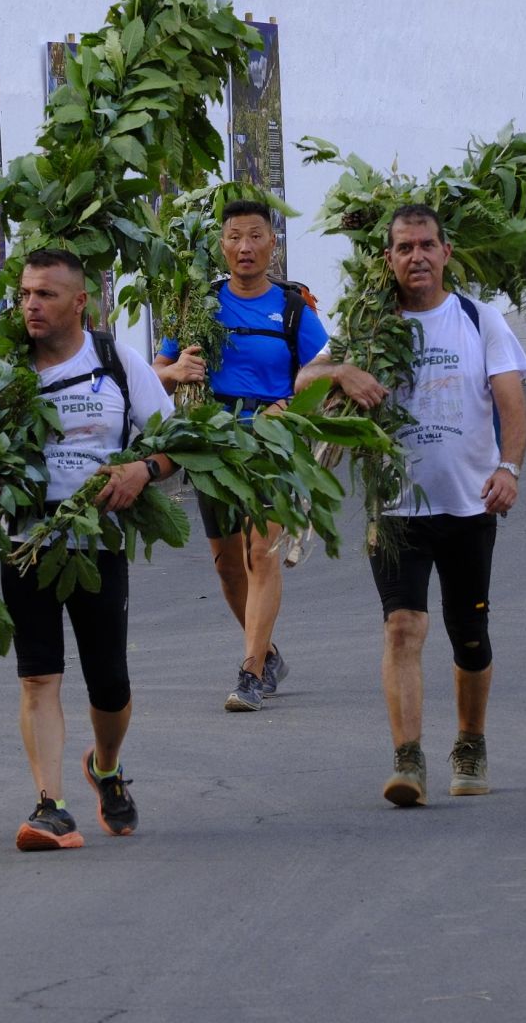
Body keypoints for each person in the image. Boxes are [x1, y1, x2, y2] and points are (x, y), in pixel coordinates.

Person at [301, 204, 526, 806]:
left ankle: (471, 742)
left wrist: (509, 468)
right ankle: (408, 759)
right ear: (389, 259)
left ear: (446, 252)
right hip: (396, 508)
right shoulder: (370, 325)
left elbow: (511, 401)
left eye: (426, 244)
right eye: (404, 248)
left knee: (468, 635)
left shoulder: (480, 320)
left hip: (470, 504)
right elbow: (303, 381)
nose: (417, 257)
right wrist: (344, 371)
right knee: (403, 627)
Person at [153, 199, 385, 713]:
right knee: (228, 569)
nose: (245, 247)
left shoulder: (295, 305)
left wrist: (290, 404)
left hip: (274, 446)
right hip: (213, 445)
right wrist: (176, 374)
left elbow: (323, 370)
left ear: (272, 244)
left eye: (256, 236)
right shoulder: (199, 304)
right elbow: (158, 368)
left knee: (261, 554)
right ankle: (269, 653)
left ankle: (251, 672)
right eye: (235, 236)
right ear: (221, 244)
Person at [7, 249, 177, 851]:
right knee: (38, 676)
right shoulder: (4, 369)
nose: (31, 304)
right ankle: (49, 805)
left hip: (96, 544)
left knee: (109, 682)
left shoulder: (115, 361)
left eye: (46, 294)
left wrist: (142, 468)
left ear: (80, 302)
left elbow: (177, 442)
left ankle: (105, 765)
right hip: (24, 544)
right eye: (26, 293)